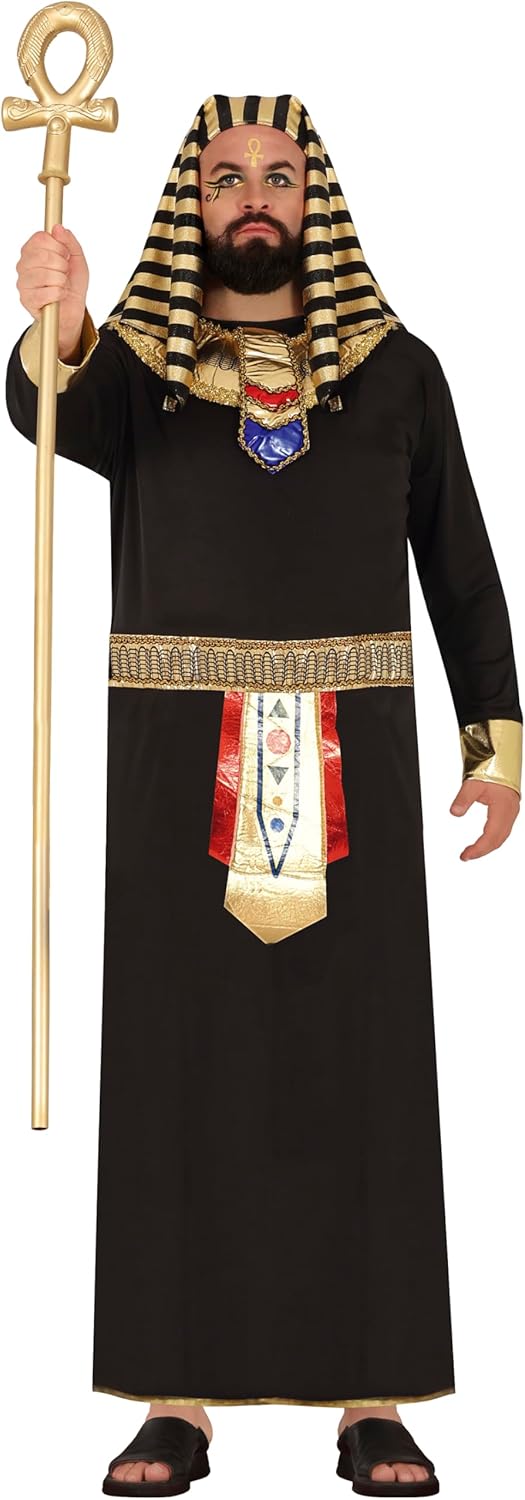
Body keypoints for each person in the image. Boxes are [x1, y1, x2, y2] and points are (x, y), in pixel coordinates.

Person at [6, 92, 522, 1498]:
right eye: (227, 174)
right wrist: (59, 312)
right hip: (175, 766)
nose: (254, 195)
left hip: (357, 753)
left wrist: (493, 742)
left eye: (278, 175)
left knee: (362, 1068)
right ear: (193, 199)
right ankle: (172, 1400)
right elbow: (48, 411)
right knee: (177, 1066)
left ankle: (374, 1400)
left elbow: (460, 562)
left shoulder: (398, 372)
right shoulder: (139, 374)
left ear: (314, 201)